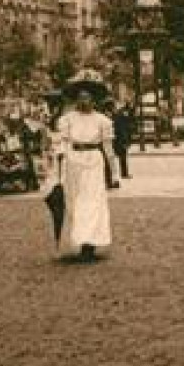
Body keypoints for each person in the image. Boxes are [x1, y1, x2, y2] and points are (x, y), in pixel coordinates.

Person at [53, 71, 117, 262]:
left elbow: (108, 148)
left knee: (92, 201)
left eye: (88, 97)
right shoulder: (67, 120)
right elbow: (62, 144)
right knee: (75, 201)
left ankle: (89, 242)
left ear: (94, 99)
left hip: (94, 162)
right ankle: (81, 239)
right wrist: (59, 168)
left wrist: (114, 173)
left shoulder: (103, 121)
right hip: (74, 161)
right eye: (80, 97)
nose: (84, 101)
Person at [111, 101, 135, 182]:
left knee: (119, 157)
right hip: (119, 139)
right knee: (122, 157)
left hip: (116, 139)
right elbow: (122, 129)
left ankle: (122, 173)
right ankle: (124, 173)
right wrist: (125, 140)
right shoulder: (120, 115)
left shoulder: (116, 115)